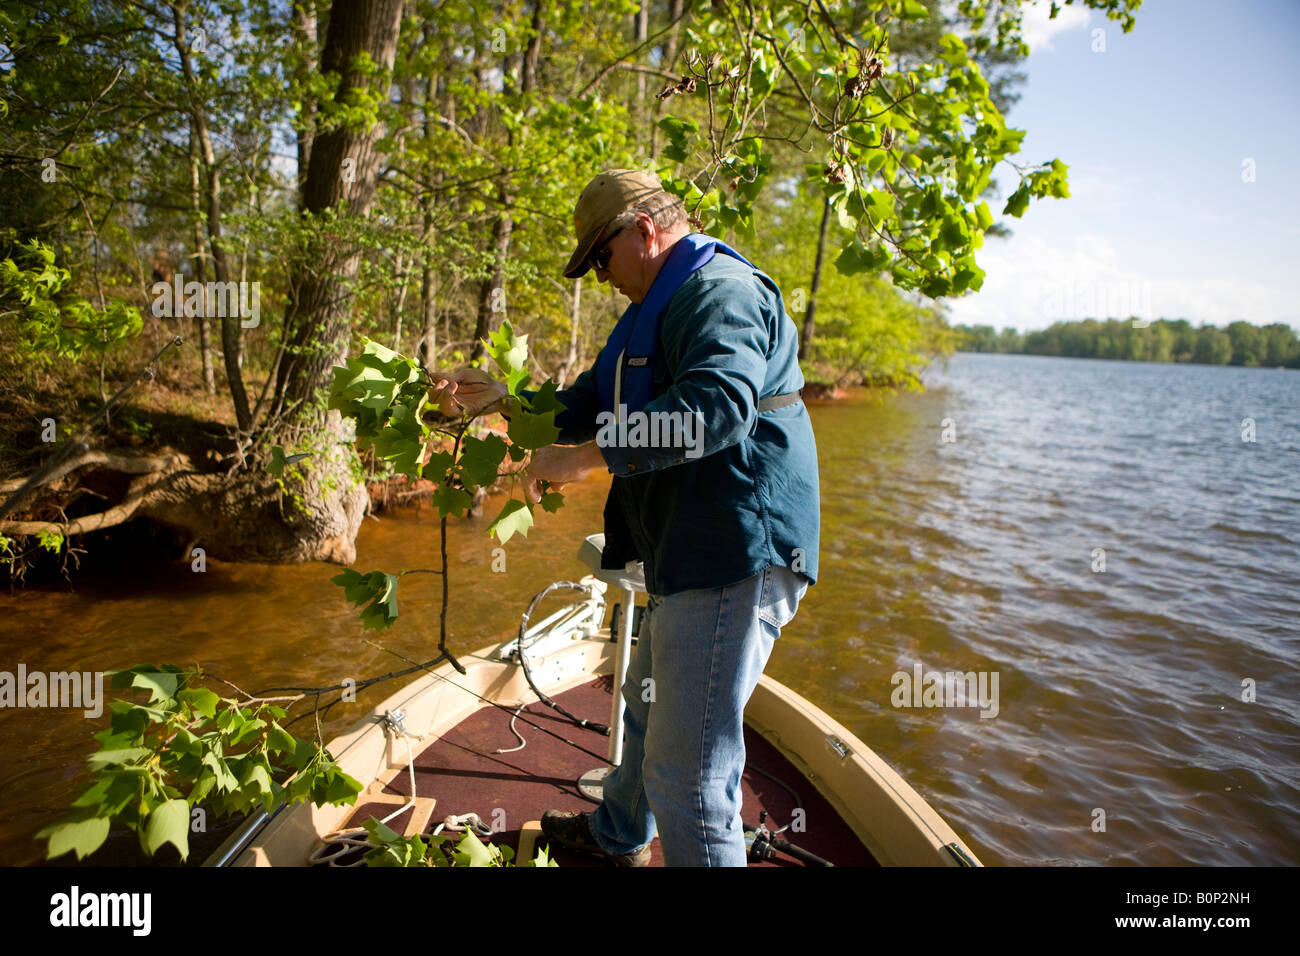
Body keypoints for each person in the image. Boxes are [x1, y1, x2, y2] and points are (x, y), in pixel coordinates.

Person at [430, 169, 820, 866]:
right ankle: (618, 837)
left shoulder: (718, 293)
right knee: (642, 711)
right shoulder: (650, 307)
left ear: (643, 229)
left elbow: (716, 409)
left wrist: (584, 461)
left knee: (691, 780)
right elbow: (586, 402)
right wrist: (502, 401)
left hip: (737, 551)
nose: (599, 277)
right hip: (686, 548)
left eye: (600, 259)